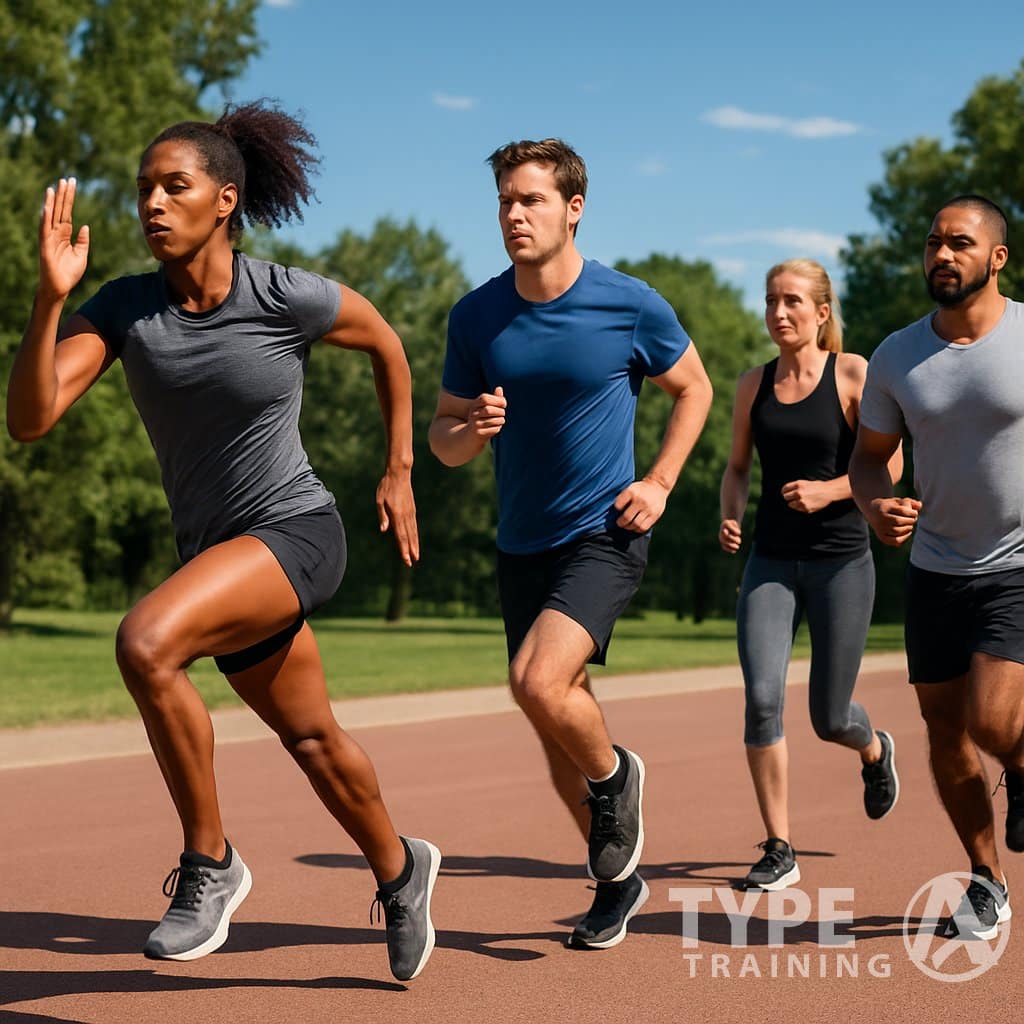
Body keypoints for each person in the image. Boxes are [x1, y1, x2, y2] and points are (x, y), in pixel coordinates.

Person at [7, 102, 440, 982]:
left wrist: (398, 469)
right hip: (220, 562)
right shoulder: (123, 310)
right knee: (313, 741)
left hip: (297, 530)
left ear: (225, 200)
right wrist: (51, 299)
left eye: (175, 186)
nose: (153, 205)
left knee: (146, 642)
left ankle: (211, 864)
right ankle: (401, 870)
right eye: (142, 191)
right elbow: (30, 419)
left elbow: (387, 343)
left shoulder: (284, 295)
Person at [429, 138, 713, 949]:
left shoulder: (629, 303)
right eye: (505, 202)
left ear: (573, 208)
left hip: (604, 531)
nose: (514, 215)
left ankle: (618, 777)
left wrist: (658, 481)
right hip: (521, 541)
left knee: (537, 682)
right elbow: (445, 437)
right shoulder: (477, 315)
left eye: (532, 200)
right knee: (551, 711)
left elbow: (692, 388)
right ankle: (616, 879)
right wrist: (469, 430)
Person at [850, 194, 1024, 941]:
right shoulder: (896, 355)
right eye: (932, 243)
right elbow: (867, 459)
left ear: (997, 258)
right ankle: (987, 881)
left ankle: (1019, 762)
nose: (941, 256)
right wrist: (876, 504)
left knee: (992, 721)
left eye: (959, 243)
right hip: (936, 567)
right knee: (943, 729)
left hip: (1018, 559)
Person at [719, 259, 902, 892]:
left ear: (822, 312)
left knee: (829, 717)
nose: (778, 313)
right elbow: (738, 467)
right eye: (771, 301)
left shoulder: (854, 375)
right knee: (763, 698)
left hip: (842, 562)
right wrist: (730, 514)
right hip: (770, 561)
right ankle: (779, 846)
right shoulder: (753, 384)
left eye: (792, 301)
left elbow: (891, 464)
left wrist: (831, 492)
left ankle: (874, 748)